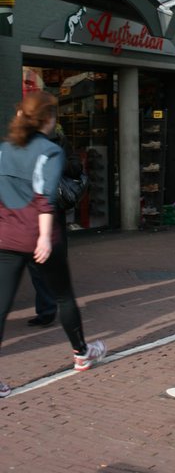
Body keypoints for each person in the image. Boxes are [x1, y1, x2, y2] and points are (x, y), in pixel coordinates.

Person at [0, 91, 106, 397]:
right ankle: (81, 354)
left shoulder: (5, 148)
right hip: (40, 236)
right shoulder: (50, 150)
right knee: (63, 297)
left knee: (2, 306)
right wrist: (45, 237)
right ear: (48, 119)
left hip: (7, 236)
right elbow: (46, 199)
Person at [26, 123, 83, 327]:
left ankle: (53, 306)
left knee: (52, 257)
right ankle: (49, 306)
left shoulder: (58, 141)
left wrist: (57, 164)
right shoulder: (21, 142)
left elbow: (76, 166)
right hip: (29, 206)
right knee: (36, 260)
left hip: (51, 205)